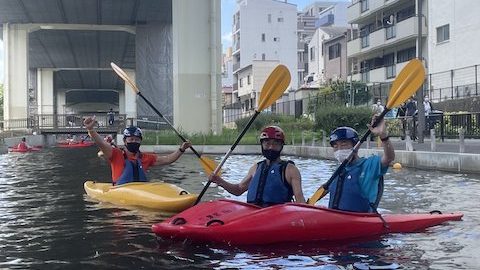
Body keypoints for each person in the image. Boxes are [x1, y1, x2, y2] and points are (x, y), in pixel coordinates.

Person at [209, 126, 306, 207]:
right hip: (253, 214)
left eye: (275, 144)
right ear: (262, 145)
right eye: (267, 143)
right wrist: (219, 181)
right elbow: (238, 190)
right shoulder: (256, 168)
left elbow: (299, 199)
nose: (271, 147)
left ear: (281, 146)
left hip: (278, 217)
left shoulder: (290, 170)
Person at [83, 116, 191, 185]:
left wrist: (181, 149)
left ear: (140, 141)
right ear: (125, 141)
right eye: (131, 139)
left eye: (137, 140)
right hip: (120, 191)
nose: (134, 141)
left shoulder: (145, 158)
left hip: (141, 191)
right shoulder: (115, 154)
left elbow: (167, 159)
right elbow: (101, 143)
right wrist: (91, 130)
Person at [327, 117, 395, 213]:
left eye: (343, 145)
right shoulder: (339, 171)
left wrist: (383, 136)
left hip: (362, 220)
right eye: (335, 146)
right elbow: (324, 189)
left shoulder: (369, 165)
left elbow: (389, 158)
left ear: (355, 146)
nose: (339, 149)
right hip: (335, 219)